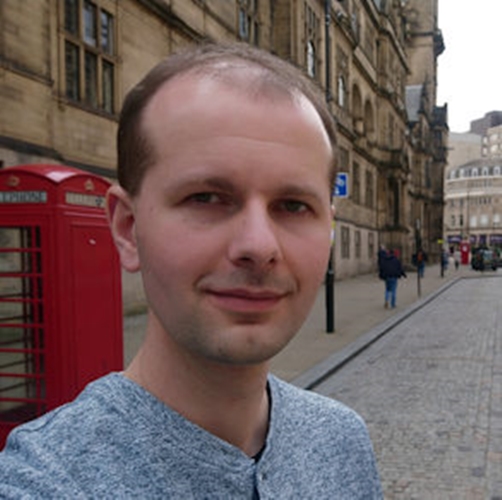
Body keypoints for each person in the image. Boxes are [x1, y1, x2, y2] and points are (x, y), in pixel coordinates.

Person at [0, 43, 382, 498]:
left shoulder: (342, 441)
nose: (259, 246)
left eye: (294, 205)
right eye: (206, 198)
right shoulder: (46, 482)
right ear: (127, 229)